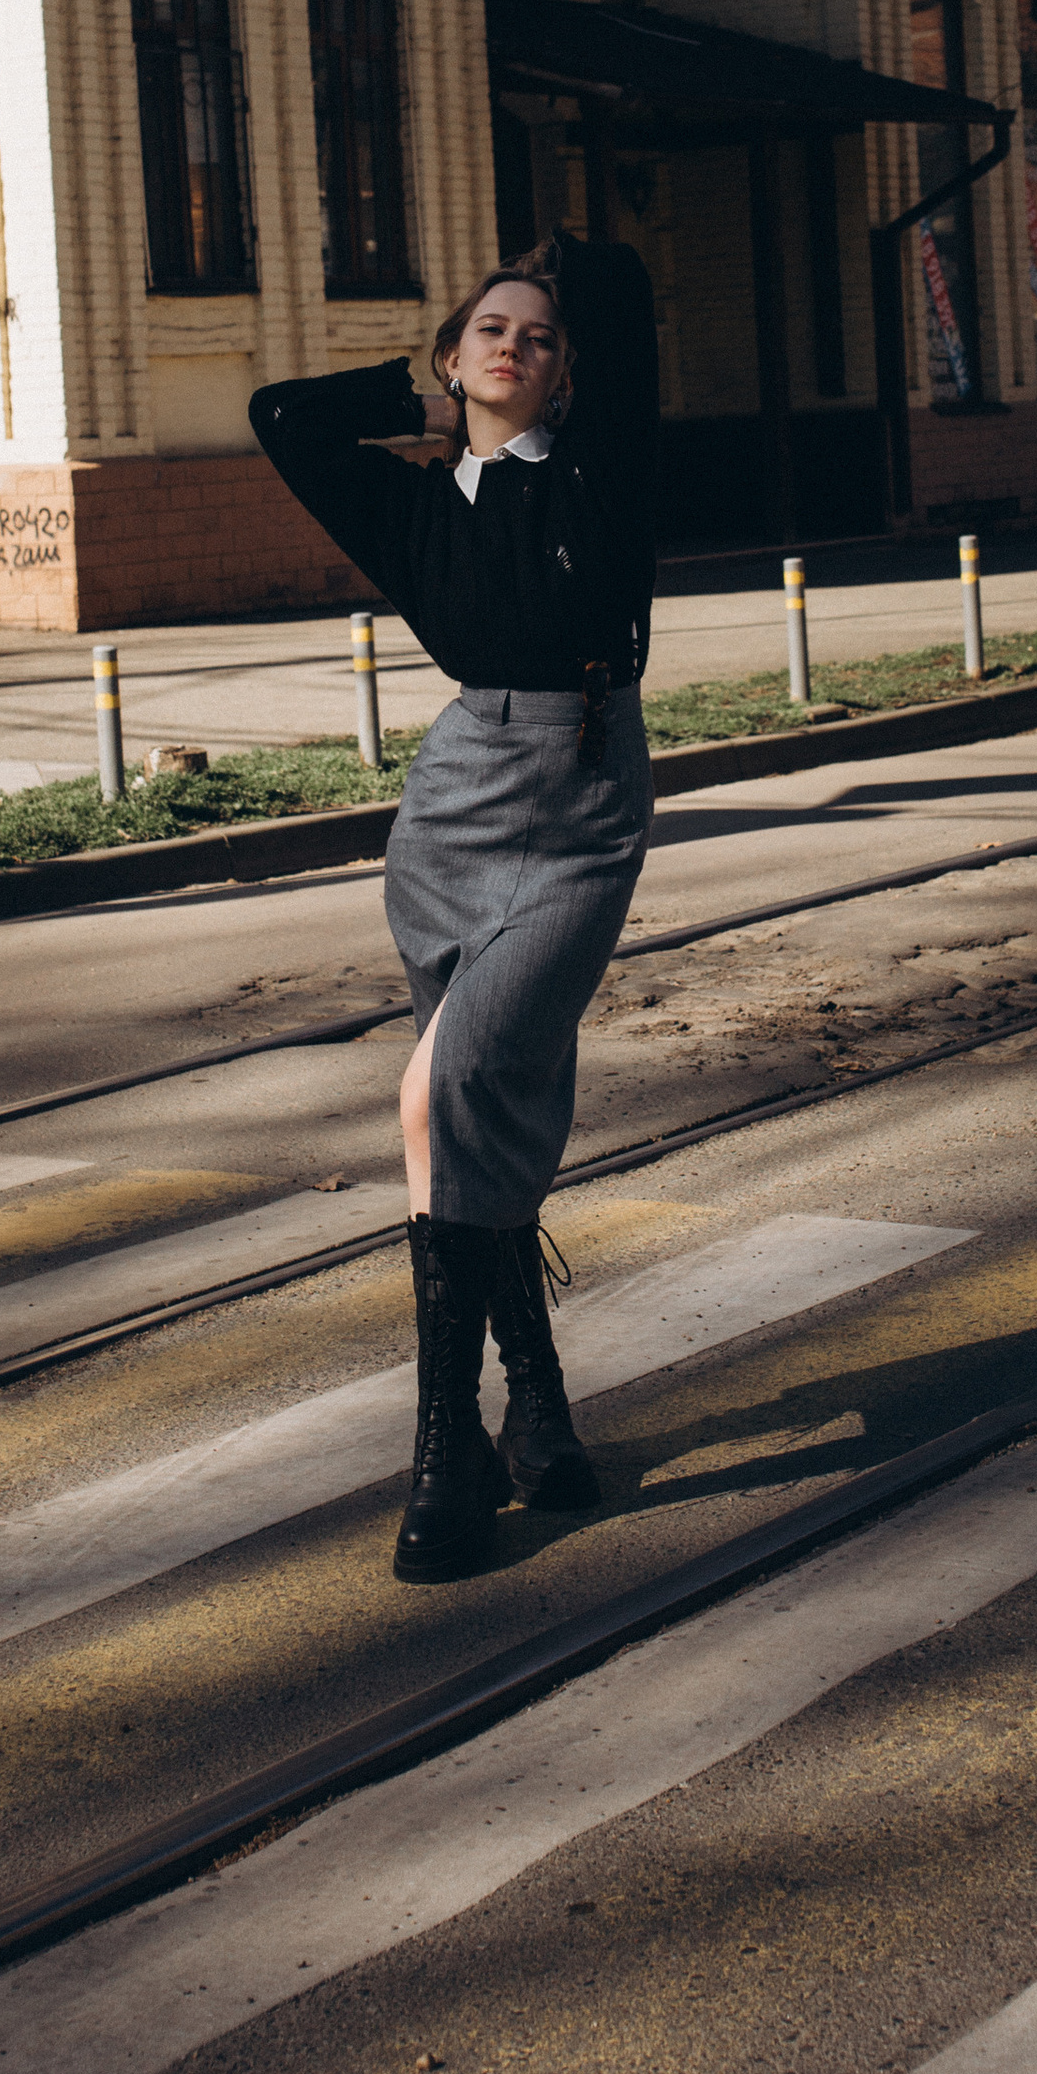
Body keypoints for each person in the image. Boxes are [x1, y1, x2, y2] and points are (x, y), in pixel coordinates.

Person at [249, 230, 658, 1580]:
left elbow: (626, 326)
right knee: (472, 1110)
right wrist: (432, 405)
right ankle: (526, 1412)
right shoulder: (417, 502)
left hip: (586, 799)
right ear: (449, 356)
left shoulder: (604, 472)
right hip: (458, 802)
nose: (514, 346)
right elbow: (282, 416)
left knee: (451, 1089)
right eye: (491, 329)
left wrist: (554, 291)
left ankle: (445, 1451)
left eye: (539, 337)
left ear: (568, 374)